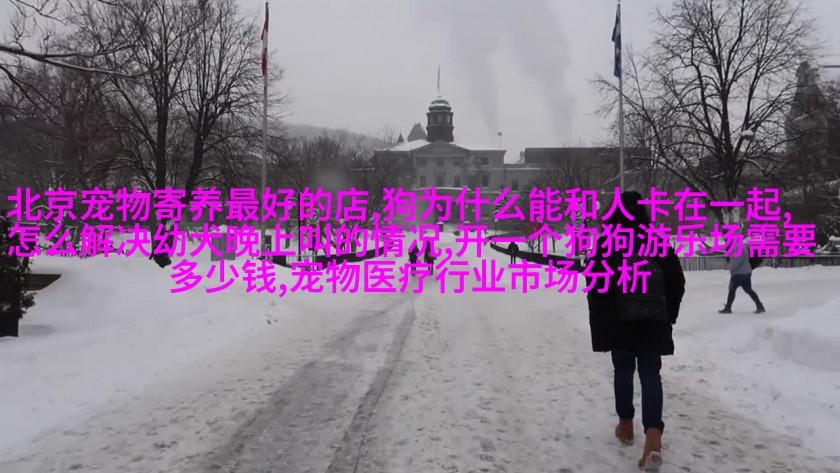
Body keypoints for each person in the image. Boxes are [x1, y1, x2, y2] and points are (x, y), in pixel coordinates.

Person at [586, 191, 686, 472]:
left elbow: (596, 286)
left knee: (623, 372)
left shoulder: (607, 244)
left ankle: (626, 426)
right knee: (651, 375)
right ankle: (653, 438)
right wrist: (667, 315)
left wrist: (603, 324)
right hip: (653, 323)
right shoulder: (657, 242)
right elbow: (676, 281)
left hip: (620, 323)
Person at [719, 237, 765, 314]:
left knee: (732, 289)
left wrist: (730, 268)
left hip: (739, 273)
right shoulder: (743, 246)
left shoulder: (737, 248)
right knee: (748, 290)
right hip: (746, 271)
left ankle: (728, 308)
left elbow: (737, 261)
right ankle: (760, 306)